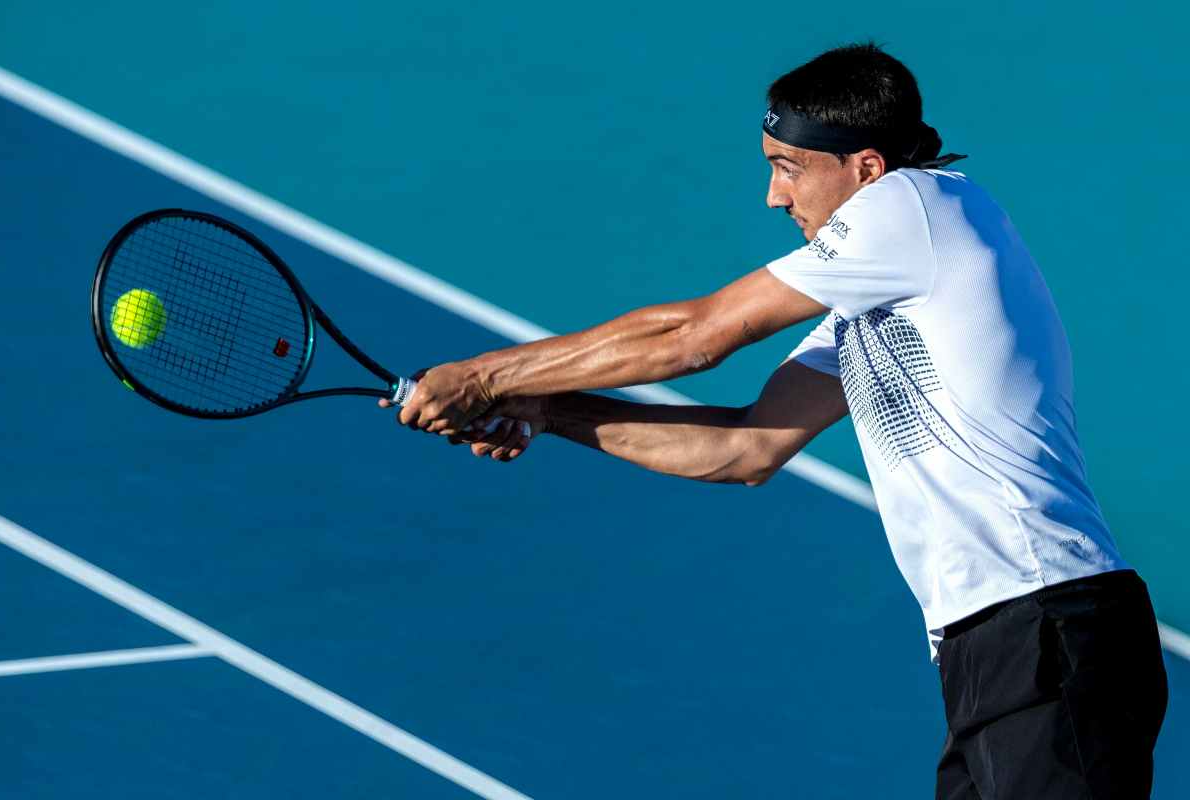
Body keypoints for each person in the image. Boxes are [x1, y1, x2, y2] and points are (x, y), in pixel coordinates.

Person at [382, 43, 1168, 798]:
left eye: (788, 168)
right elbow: (745, 448)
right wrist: (549, 411)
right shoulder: (880, 298)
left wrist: (486, 375)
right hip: (995, 648)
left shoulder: (916, 206)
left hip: (1047, 630)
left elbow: (696, 336)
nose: (774, 196)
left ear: (866, 169)